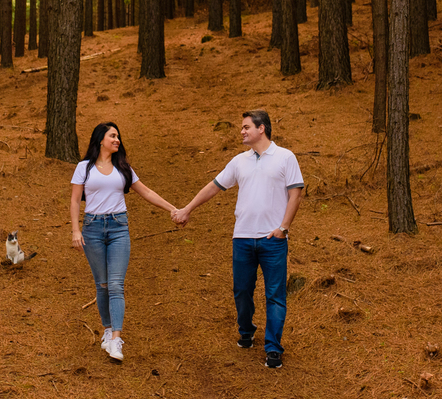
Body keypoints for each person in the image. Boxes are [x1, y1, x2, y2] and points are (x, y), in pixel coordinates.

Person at [172, 109, 303, 369]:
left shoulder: (285, 158)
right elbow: (214, 186)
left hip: (273, 241)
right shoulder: (239, 161)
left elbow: (296, 193)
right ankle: (246, 331)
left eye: (246, 127)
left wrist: (283, 228)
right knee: (242, 291)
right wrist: (187, 209)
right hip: (242, 239)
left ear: (261, 128)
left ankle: (273, 349)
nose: (242, 132)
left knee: (275, 295)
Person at [70, 122, 179, 363]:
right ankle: (108, 330)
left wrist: (172, 209)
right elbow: (76, 200)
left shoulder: (123, 167)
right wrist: (76, 231)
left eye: (118, 136)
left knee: (116, 284)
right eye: (112, 135)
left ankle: (117, 339)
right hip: (93, 229)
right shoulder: (84, 168)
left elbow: (146, 192)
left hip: (119, 228)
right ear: (100, 139)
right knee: (103, 284)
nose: (117, 139)